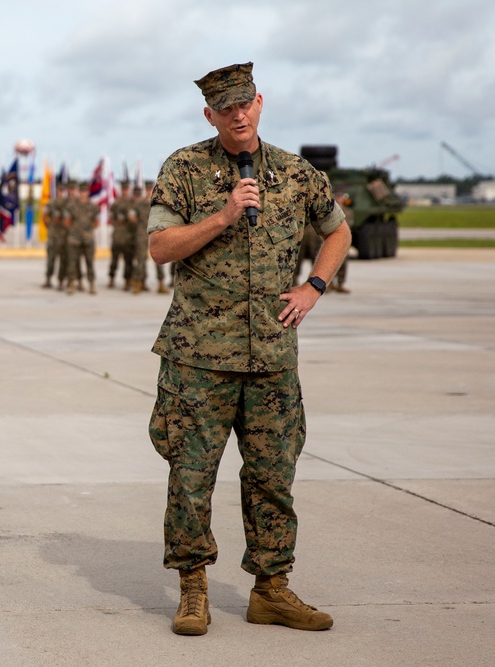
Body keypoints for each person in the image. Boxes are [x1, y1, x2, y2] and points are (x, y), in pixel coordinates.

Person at [146, 62, 351, 636]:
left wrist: (313, 287)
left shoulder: (295, 172)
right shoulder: (184, 169)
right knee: (190, 475)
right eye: (225, 108)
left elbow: (337, 231)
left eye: (246, 105)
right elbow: (161, 247)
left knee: (272, 477)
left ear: (260, 103)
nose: (238, 115)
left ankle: (272, 589)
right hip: (198, 358)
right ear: (209, 114)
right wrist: (225, 213)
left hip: (270, 358)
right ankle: (192, 589)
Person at [64, 182, 98, 295]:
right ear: (79, 192)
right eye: (81, 191)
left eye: (85, 191)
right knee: (72, 263)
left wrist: (87, 230)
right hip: (74, 239)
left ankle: (91, 284)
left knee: (90, 263)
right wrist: (76, 230)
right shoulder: (72, 206)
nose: (83, 194)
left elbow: (96, 222)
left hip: (88, 239)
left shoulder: (93, 207)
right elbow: (67, 221)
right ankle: (71, 284)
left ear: (88, 192)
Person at [108, 181, 135, 289]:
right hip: (117, 237)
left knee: (128, 261)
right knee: (114, 260)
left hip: (128, 238)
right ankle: (111, 278)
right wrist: (117, 222)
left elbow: (135, 219)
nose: (125, 191)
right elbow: (110, 218)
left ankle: (127, 281)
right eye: (124, 189)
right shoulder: (116, 203)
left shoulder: (132, 203)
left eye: (127, 189)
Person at [43, 187, 68, 290]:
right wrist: (50, 227)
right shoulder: (51, 203)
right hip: (53, 236)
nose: (61, 193)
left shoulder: (67, 204)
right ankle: (48, 279)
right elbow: (45, 216)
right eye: (59, 190)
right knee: (51, 259)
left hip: (64, 236)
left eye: (62, 191)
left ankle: (61, 282)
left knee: (63, 261)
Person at [330, 192, 353, 293]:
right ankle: (329, 284)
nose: (339, 199)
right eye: (337, 196)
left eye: (340, 196)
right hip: (331, 240)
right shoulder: (329, 211)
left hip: (343, 240)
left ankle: (340, 283)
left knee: (343, 262)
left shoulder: (348, 212)